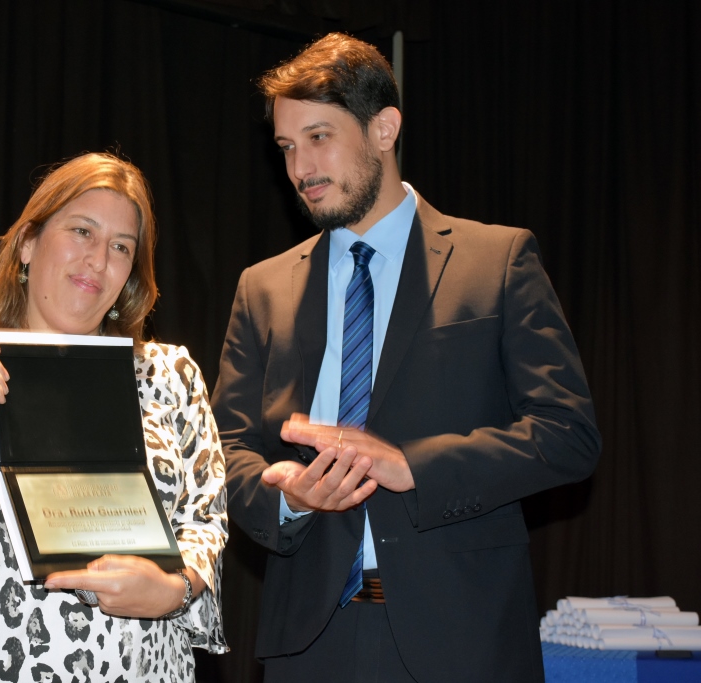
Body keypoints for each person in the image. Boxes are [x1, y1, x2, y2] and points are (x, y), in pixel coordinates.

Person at [211, 33, 602, 683]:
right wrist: (294, 498)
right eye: (286, 147)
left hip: (463, 640)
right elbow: (223, 454)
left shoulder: (497, 262)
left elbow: (569, 433)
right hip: (311, 644)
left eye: (319, 137)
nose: (300, 166)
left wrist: (412, 466)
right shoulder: (263, 286)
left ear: (384, 128)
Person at [0, 152, 227, 682]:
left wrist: (175, 590)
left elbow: (205, 521)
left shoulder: (170, 376)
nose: (99, 260)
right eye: (82, 231)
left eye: (121, 247)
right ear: (28, 243)